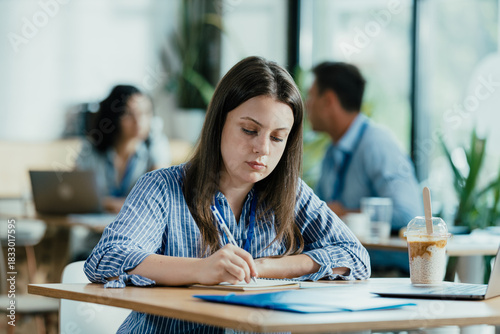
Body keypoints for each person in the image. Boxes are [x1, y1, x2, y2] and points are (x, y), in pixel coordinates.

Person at [84, 56, 370, 333]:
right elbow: (106, 258)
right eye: (249, 130)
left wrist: (264, 267)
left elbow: (354, 257)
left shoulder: (291, 192)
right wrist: (201, 270)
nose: (263, 149)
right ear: (219, 122)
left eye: (277, 137)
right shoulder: (162, 188)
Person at [306, 62, 422, 275]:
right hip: (343, 270)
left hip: (387, 273)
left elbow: (409, 215)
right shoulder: (332, 152)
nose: (306, 105)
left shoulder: (377, 145)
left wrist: (346, 214)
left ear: (329, 100)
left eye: (310, 96)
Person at [75, 84, 171, 213]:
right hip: (95, 228)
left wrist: (106, 203)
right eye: (128, 114)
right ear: (113, 116)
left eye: (145, 113)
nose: (139, 121)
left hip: (137, 229)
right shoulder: (92, 148)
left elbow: (155, 197)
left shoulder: (156, 145)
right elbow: (76, 194)